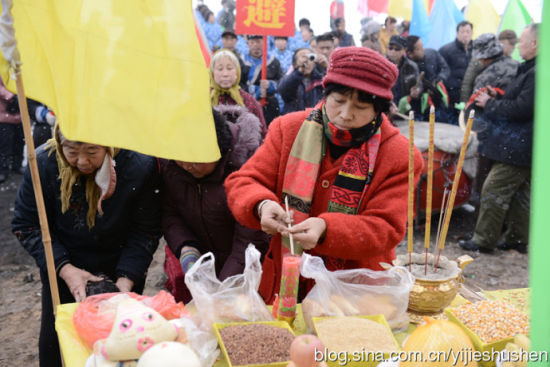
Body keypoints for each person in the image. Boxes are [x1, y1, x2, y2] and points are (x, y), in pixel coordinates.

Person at [225, 46, 423, 303]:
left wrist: (326, 228)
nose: (346, 114)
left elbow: (387, 227)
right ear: (325, 93)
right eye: (338, 100)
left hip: (356, 289)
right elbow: (243, 181)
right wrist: (261, 205)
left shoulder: (399, 155)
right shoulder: (289, 129)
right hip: (287, 277)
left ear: (380, 110)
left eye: (361, 106)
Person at [12, 125, 162, 367]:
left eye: (92, 151)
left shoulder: (139, 165)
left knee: (118, 345)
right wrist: (66, 270)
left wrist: (125, 282)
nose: (82, 161)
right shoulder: (43, 162)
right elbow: (27, 225)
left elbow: (146, 230)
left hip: (120, 265)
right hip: (63, 266)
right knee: (59, 343)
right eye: (71, 151)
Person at [161, 107, 269, 303]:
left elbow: (249, 239)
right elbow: (170, 213)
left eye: (196, 161)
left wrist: (223, 288)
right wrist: (186, 247)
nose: (187, 166)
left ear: (220, 150)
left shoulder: (245, 168)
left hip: (245, 270)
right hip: (202, 265)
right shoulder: (172, 169)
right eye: (181, 159)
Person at [459, 24, 538, 255]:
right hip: (523, 143)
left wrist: (490, 103)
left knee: (493, 189)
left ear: (535, 44)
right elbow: (521, 99)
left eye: (521, 41)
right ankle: (517, 238)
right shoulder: (529, 68)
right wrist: (499, 94)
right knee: (520, 193)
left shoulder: (537, 71)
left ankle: (484, 239)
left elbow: (524, 108)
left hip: (517, 143)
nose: (516, 46)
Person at [210, 49, 267, 134]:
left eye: (229, 68)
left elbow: (262, 134)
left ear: (237, 72)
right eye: (220, 69)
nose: (225, 74)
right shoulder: (204, 99)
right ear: (212, 72)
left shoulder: (248, 101)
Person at [405, 35, 451, 122]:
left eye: (422, 46)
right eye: (419, 48)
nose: (423, 49)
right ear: (410, 53)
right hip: (417, 105)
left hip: (436, 100)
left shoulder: (432, 53)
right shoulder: (407, 66)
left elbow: (445, 69)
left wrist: (440, 78)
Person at [242, 35, 284, 125]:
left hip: (269, 104)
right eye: (252, 42)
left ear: (265, 42)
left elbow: (281, 82)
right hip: (247, 102)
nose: (256, 45)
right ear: (247, 43)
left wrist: (270, 85)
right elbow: (238, 84)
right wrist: (254, 90)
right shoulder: (241, 60)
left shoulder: (273, 61)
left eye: (259, 42)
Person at [439, 21, 473, 124]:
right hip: (452, 95)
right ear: (457, 33)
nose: (465, 34)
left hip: (470, 96)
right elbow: (441, 71)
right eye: (462, 31)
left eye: (468, 31)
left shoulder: (477, 49)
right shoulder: (446, 50)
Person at [278, 48, 326, 114]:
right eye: (303, 57)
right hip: (295, 120)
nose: (307, 61)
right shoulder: (290, 79)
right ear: (294, 64)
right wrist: (299, 71)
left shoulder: (321, 79)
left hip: (315, 121)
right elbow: (283, 90)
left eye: (310, 57)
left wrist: (327, 67)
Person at [0, 76, 23, 183]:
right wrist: (11, 96)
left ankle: (16, 165)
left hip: (19, 115)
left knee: (19, 142)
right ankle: (3, 170)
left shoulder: (17, 67)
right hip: (4, 116)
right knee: (5, 145)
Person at [386, 35, 419, 106]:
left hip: (407, 107)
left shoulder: (411, 66)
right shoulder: (382, 66)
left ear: (404, 50)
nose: (393, 51)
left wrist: (416, 91)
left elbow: (418, 85)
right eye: (390, 48)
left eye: (397, 49)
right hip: (387, 108)